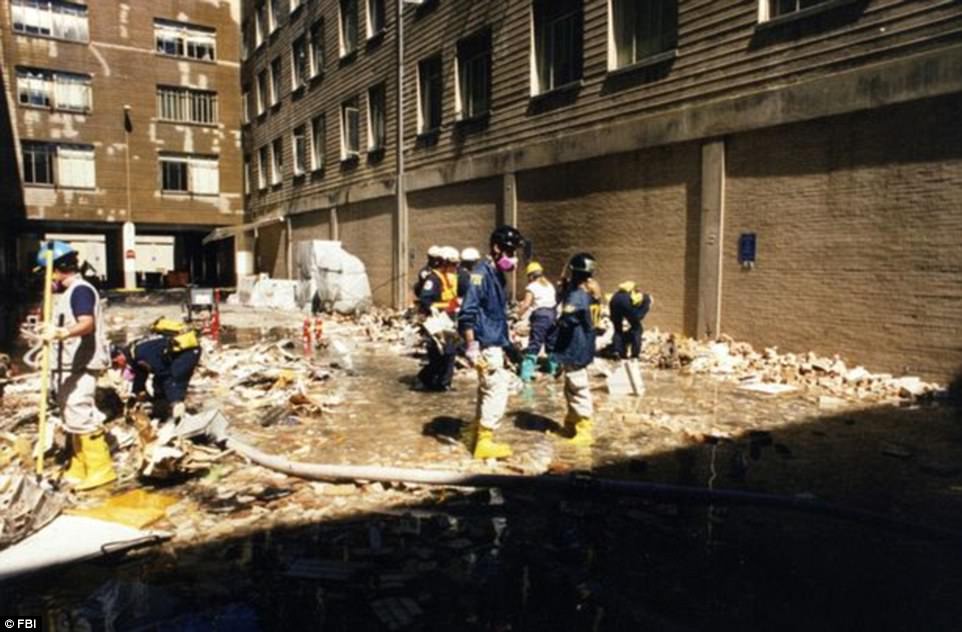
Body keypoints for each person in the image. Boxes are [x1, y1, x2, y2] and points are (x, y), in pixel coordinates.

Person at [35, 241, 115, 490]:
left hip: (82, 364)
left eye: (48, 275)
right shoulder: (67, 294)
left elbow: (86, 324)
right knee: (70, 414)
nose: (48, 282)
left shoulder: (80, 290)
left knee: (79, 413)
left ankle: (101, 469)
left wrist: (61, 332)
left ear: (57, 270)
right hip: (68, 365)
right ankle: (80, 466)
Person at [459, 225, 528, 459]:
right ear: (496, 248)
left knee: (486, 389)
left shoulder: (496, 274)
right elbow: (467, 311)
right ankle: (485, 442)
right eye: (509, 252)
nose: (513, 258)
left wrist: (510, 348)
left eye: (515, 253)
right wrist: (472, 346)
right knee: (496, 390)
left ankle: (476, 432)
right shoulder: (481, 274)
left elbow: (495, 315)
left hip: (494, 341)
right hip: (486, 345)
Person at [111, 318, 202, 421]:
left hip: (187, 351)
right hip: (173, 353)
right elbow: (140, 375)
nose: (117, 367)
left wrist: (172, 396)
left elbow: (163, 373)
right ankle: (161, 413)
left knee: (174, 382)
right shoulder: (133, 352)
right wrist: (137, 392)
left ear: (119, 356)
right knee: (159, 384)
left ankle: (179, 417)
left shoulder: (140, 354)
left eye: (115, 363)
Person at [552, 253, 598, 447]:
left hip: (575, 347)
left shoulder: (578, 297)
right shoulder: (590, 293)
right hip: (583, 345)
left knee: (578, 388)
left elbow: (566, 320)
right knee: (571, 387)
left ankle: (584, 428)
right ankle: (571, 424)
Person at [415, 247, 461, 391]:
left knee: (449, 353)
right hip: (437, 321)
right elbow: (425, 298)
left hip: (448, 318)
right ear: (444, 262)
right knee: (442, 353)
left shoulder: (450, 277)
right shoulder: (433, 278)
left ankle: (441, 382)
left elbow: (451, 297)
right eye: (453, 264)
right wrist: (433, 309)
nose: (455, 267)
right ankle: (432, 379)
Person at [517, 262, 557, 382]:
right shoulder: (549, 285)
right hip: (553, 316)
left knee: (535, 344)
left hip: (541, 317)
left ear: (530, 276)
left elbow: (526, 304)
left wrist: (517, 315)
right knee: (551, 344)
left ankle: (526, 374)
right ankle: (553, 370)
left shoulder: (532, 287)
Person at [609, 282, 653, 359]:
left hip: (614, 300)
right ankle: (635, 354)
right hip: (626, 302)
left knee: (618, 328)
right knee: (637, 329)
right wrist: (637, 317)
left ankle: (617, 351)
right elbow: (638, 315)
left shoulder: (622, 291)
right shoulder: (646, 298)